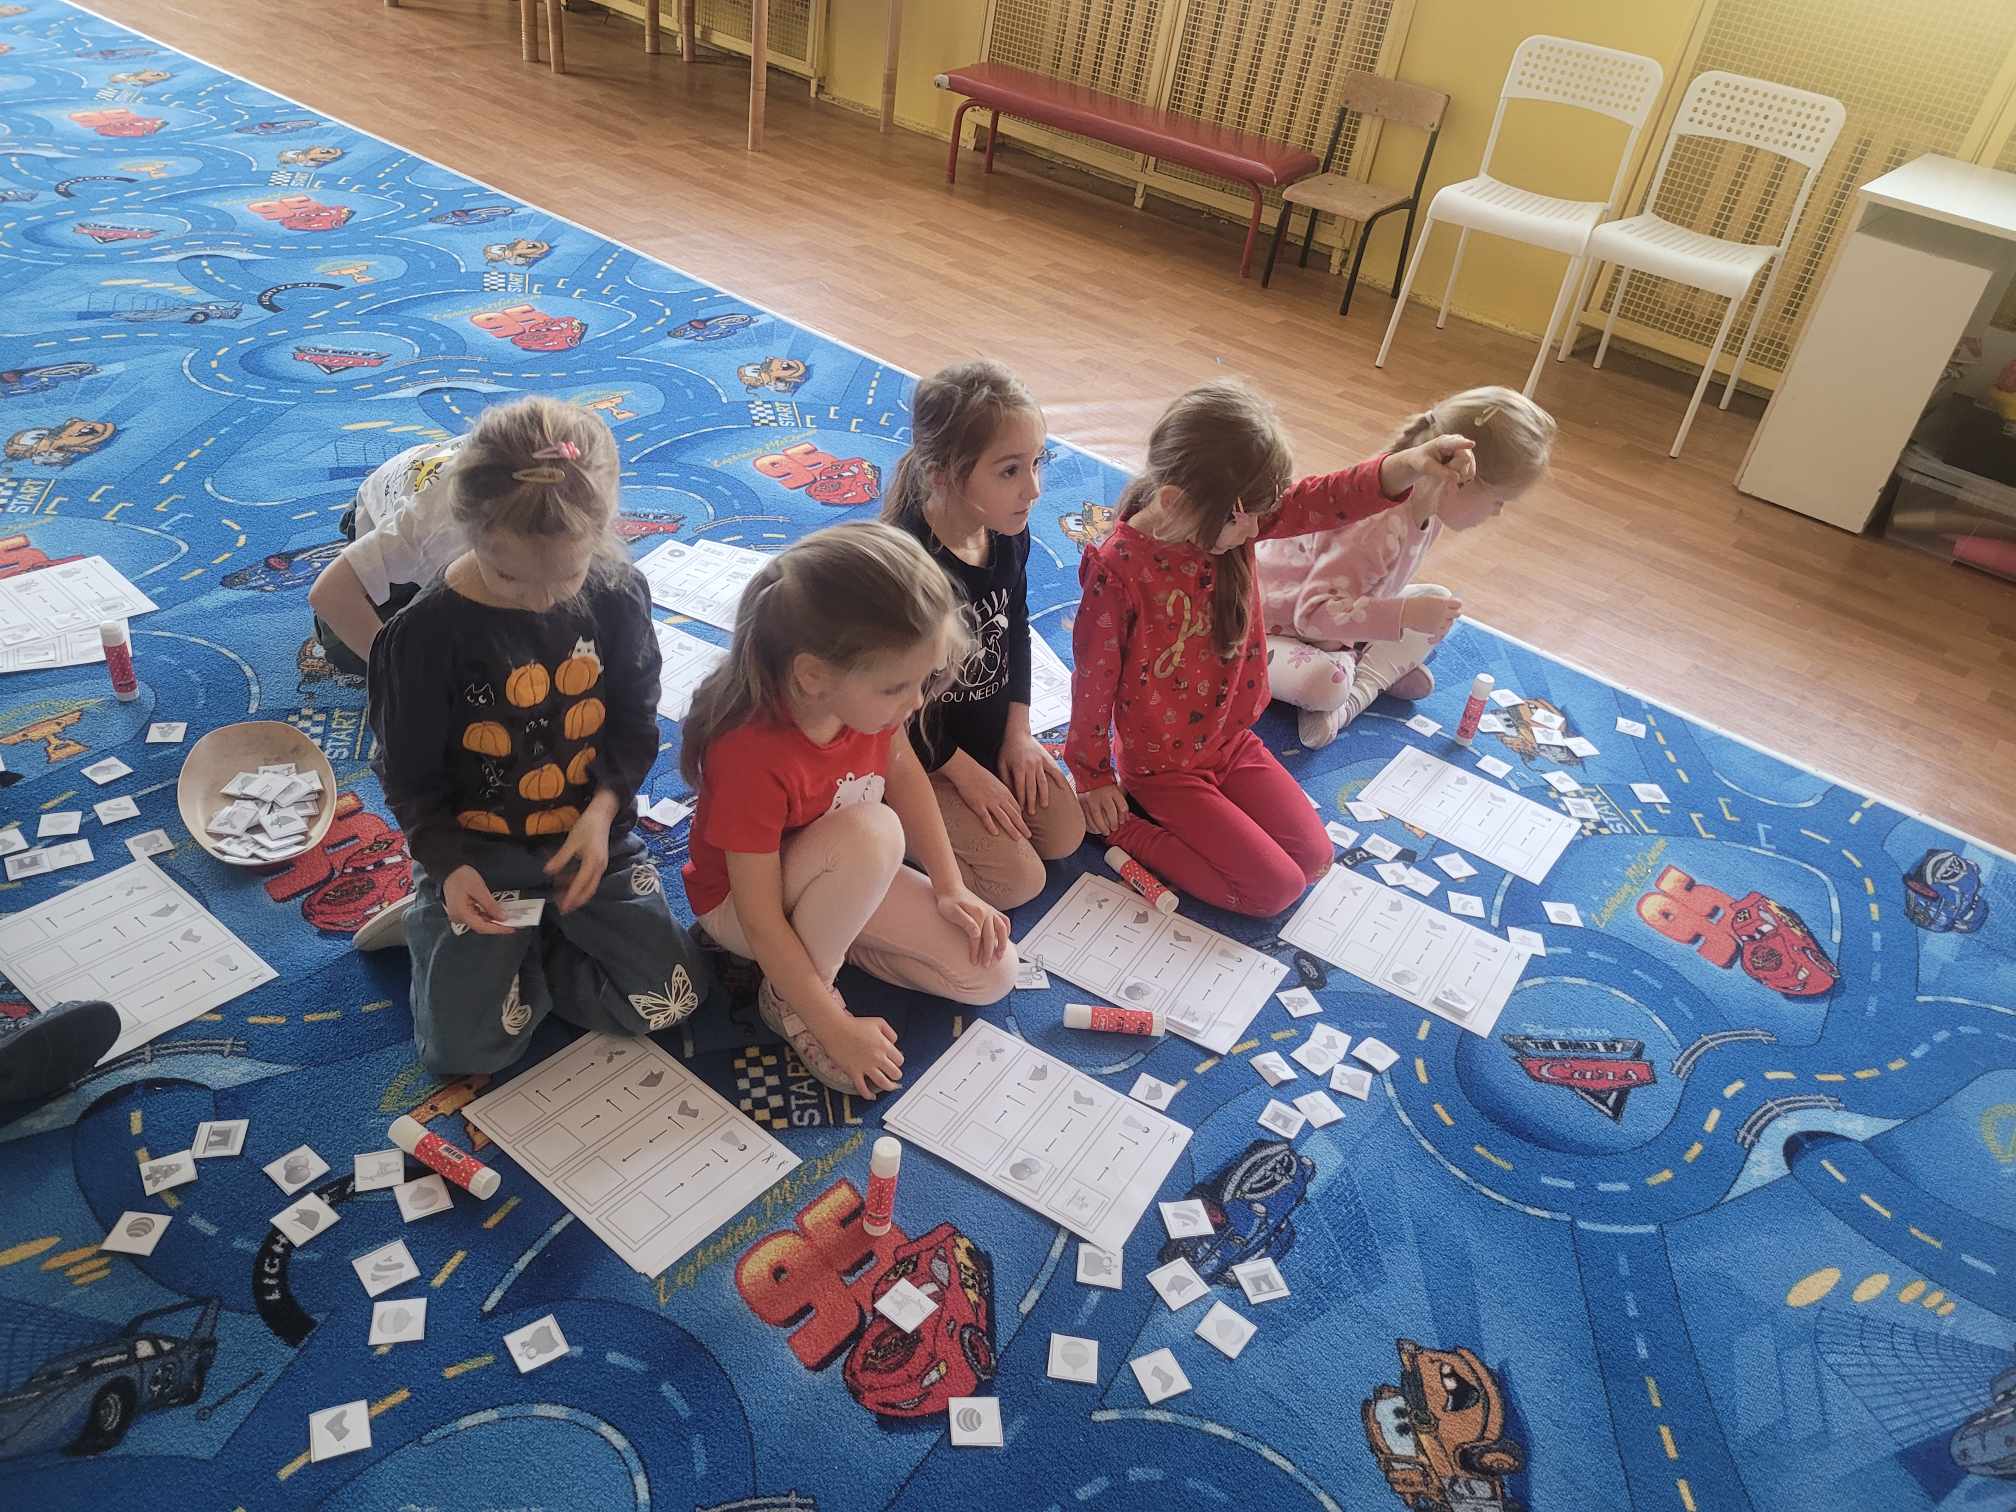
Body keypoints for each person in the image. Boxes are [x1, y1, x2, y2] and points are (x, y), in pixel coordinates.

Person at [368, 395, 719, 1074]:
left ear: (602, 534)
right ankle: (440, 918)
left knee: (670, 1000)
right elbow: (408, 778)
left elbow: (635, 720)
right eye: (508, 576)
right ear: (469, 530)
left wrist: (603, 812)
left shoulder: (617, 593)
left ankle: (528, 948)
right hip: (476, 852)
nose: (541, 599)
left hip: (587, 839)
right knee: (464, 1053)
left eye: (567, 575)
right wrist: (449, 866)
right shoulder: (422, 637)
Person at [1065, 380, 1476, 916]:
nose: (1260, 530)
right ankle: (1122, 829)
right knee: (1272, 891)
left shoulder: (1225, 519)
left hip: (1230, 741)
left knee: (1315, 860)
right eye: (1248, 520)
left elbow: (1325, 498)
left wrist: (1409, 465)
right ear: (1175, 503)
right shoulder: (1118, 571)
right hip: (1163, 768)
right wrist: (1094, 778)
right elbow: (1092, 683)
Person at [680, 522, 1017, 1100]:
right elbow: (760, 920)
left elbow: (905, 774)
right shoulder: (749, 753)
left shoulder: (867, 704)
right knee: (875, 832)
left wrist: (950, 886)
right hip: (741, 908)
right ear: (813, 676)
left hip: (840, 869)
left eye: (922, 681)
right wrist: (833, 1028)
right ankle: (792, 999)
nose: (916, 702)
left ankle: (823, 947)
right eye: (898, 687)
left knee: (992, 972)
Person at [882, 360, 1085, 910]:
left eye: (1037, 463)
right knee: (1018, 883)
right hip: (920, 750)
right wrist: (964, 775)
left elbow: (1016, 629)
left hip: (987, 735)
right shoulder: (908, 568)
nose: (1034, 489)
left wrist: (1018, 735)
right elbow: (892, 710)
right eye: (1010, 470)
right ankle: (892, 827)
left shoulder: (1006, 530)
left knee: (1064, 834)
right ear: (944, 474)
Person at [1260, 386, 1556, 748]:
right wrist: (1403, 614)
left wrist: (1407, 614)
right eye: (1498, 499)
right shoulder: (1375, 528)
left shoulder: (1427, 510)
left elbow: (1369, 596)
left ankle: (1360, 677)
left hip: (1330, 629)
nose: (1498, 512)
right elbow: (1312, 616)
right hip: (1269, 627)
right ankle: (1360, 686)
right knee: (1325, 684)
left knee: (1438, 602)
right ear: (1458, 478)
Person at [308, 434, 467, 678]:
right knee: (345, 640)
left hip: (426, 479)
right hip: (379, 508)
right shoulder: (437, 528)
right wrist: (396, 678)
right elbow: (330, 594)